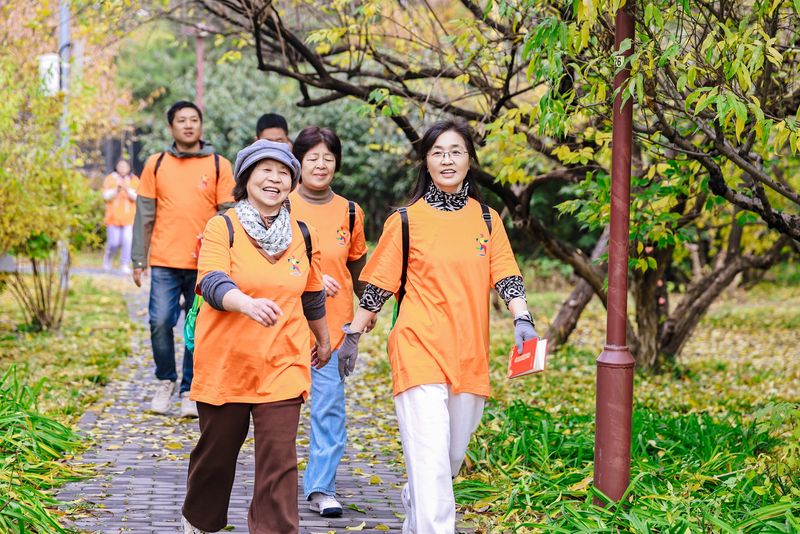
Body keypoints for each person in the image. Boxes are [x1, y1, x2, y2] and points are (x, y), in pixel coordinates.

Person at [337, 120, 538, 533]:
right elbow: (378, 286)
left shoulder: (486, 220)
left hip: (469, 353)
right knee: (430, 461)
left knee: (445, 461)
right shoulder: (406, 220)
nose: (447, 159)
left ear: (469, 160)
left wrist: (523, 318)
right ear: (426, 162)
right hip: (417, 347)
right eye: (438, 152)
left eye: (456, 151)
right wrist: (353, 334)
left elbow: (506, 275)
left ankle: (418, 500)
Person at [181, 139, 331, 534]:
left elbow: (312, 292)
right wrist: (245, 303)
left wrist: (325, 338)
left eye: (284, 173)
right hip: (227, 362)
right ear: (246, 177)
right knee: (217, 453)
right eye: (266, 170)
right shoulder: (223, 226)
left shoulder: (303, 232)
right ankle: (200, 520)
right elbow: (210, 280)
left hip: (284, 360)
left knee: (279, 459)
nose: (275, 179)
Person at [131, 100, 236, 418]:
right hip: (164, 259)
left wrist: (221, 245)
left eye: (194, 120)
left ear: (201, 125)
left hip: (206, 263)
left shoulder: (219, 164)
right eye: (181, 120)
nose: (188, 125)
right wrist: (139, 258)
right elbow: (144, 213)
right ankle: (166, 380)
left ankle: (192, 388)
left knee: (199, 327)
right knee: (159, 321)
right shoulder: (156, 163)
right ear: (171, 127)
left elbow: (228, 211)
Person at [288, 126, 368, 517]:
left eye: (328, 158)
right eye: (312, 158)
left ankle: (321, 487)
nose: (320, 165)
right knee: (278, 411)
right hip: (283, 328)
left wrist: (366, 311)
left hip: (333, 329)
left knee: (329, 408)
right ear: (298, 162)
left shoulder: (351, 211)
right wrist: (312, 275)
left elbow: (358, 266)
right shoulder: (277, 204)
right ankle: (277, 480)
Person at [101, 159, 139, 273]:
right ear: (116, 167)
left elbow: (138, 197)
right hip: (113, 217)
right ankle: (108, 259)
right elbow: (106, 196)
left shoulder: (134, 180)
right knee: (113, 242)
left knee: (127, 241)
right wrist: (116, 190)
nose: (122, 168)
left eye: (125, 166)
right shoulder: (110, 179)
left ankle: (125, 264)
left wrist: (127, 190)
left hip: (129, 218)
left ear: (129, 167)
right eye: (120, 166)